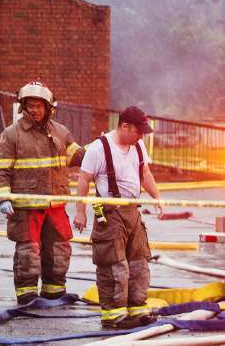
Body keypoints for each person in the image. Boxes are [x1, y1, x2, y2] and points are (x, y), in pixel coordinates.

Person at [0, 80, 84, 304]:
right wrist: (3, 198)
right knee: (28, 253)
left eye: (39, 106)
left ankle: (54, 291)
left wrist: (101, 147)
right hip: (26, 206)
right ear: (23, 107)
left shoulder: (61, 132)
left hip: (55, 204)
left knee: (59, 250)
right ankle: (27, 295)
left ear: (49, 107)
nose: (34, 110)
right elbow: (1, 171)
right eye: (30, 106)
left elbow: (78, 157)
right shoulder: (11, 135)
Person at [74, 106, 162, 330]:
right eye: (138, 131)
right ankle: (114, 315)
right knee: (114, 265)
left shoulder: (138, 145)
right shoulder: (99, 148)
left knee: (139, 262)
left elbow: (145, 174)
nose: (141, 136)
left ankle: (137, 310)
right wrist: (80, 211)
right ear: (125, 126)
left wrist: (157, 197)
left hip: (133, 211)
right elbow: (83, 180)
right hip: (110, 214)